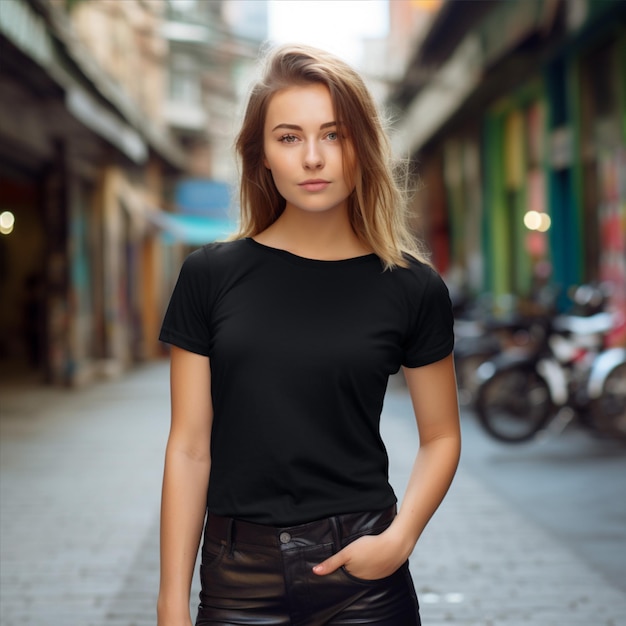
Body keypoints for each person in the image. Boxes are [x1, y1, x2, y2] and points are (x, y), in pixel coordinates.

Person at [157, 44, 461, 626]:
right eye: (290, 137)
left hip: (364, 576)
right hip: (236, 577)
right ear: (262, 155)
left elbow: (442, 436)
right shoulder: (209, 276)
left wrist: (399, 540)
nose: (314, 157)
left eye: (334, 135)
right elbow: (190, 446)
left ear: (361, 147)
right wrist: (172, 600)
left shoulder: (411, 286)